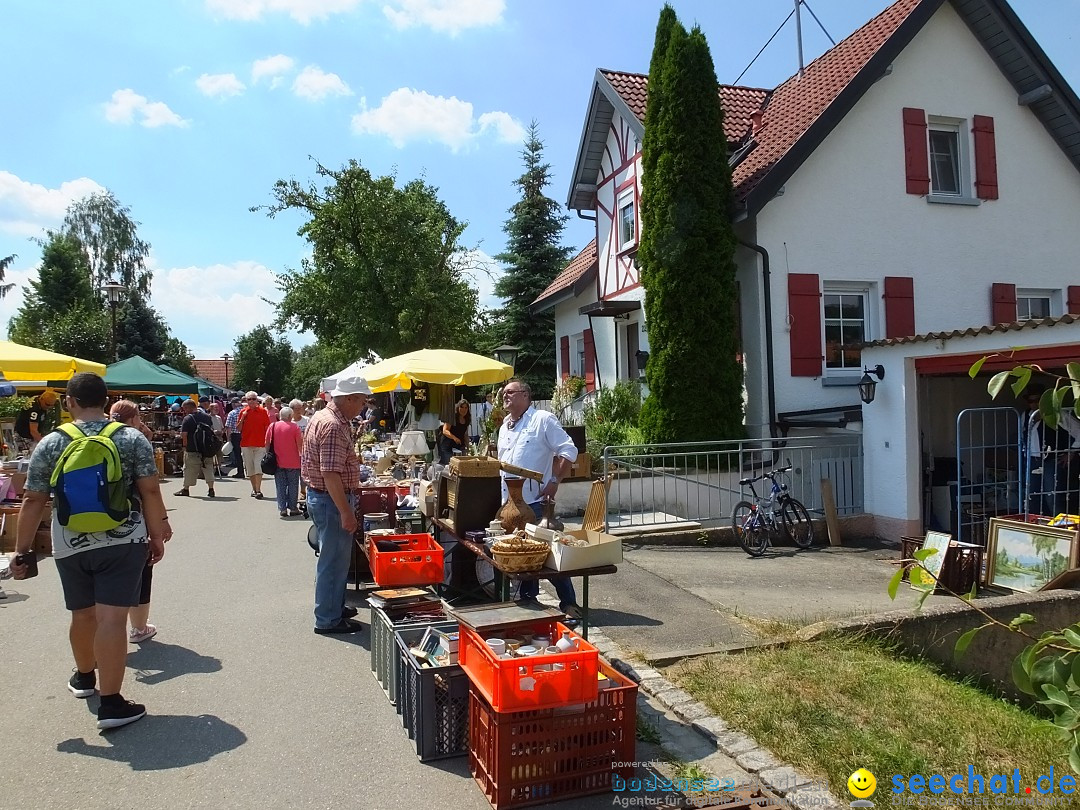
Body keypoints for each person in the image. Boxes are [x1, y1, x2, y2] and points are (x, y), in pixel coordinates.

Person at [7, 372, 169, 730]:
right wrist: (156, 534)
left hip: (70, 540)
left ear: (70, 402)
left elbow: (33, 498)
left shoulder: (51, 442)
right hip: (123, 538)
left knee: (82, 614)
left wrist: (22, 549)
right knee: (112, 619)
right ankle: (111, 704)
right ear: (105, 399)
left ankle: (84, 678)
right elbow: (151, 491)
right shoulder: (130, 438)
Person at [496, 379, 583, 617]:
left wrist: (554, 481)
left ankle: (568, 603)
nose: (505, 397)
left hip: (535, 503)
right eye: (504, 393)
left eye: (510, 393)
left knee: (548, 555)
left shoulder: (542, 420)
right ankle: (528, 600)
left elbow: (569, 450)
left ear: (525, 395)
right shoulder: (504, 427)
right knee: (521, 556)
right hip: (510, 505)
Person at [302, 376, 370, 634]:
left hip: (325, 498)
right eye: (361, 401)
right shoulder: (332, 425)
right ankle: (328, 618)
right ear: (349, 398)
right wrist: (345, 511)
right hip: (331, 500)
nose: (362, 406)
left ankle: (333, 607)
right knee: (333, 561)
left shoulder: (323, 418)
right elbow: (330, 473)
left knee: (335, 560)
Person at [109, 400, 159, 644]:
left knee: (99, 577)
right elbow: (149, 489)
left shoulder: (81, 435)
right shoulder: (134, 441)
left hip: (85, 522)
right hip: (131, 520)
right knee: (140, 571)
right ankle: (138, 628)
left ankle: (96, 640)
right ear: (133, 419)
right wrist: (159, 526)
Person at [267, 406, 303, 517]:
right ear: (290, 416)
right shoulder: (295, 427)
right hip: (293, 461)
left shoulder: (272, 426)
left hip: (277, 461)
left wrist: (268, 455)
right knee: (293, 485)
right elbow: (300, 445)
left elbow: (267, 443)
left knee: (280, 485)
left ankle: (282, 508)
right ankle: (293, 508)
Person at [175, 400, 215, 498]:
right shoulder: (207, 417)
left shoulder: (188, 419)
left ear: (189, 407)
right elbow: (211, 431)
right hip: (206, 448)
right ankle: (211, 489)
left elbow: (184, 435)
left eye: (185, 408)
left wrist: (185, 446)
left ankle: (186, 489)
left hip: (192, 448)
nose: (184, 411)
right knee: (208, 468)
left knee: (189, 469)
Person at [238, 391, 270, 499]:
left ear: (257, 400)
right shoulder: (243, 411)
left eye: (253, 399)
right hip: (246, 444)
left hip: (260, 444)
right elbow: (238, 429)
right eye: (249, 399)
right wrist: (242, 418)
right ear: (246, 401)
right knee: (250, 468)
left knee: (258, 467)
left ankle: (258, 490)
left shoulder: (263, 412)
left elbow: (267, 428)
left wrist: (269, 442)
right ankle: (254, 488)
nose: (251, 401)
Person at [439, 398, 472, 464]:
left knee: (460, 464)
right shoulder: (452, 417)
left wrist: (469, 447)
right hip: (447, 445)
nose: (464, 409)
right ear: (458, 407)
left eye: (466, 408)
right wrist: (454, 438)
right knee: (448, 464)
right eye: (462, 407)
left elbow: (465, 434)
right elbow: (445, 430)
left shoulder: (467, 419)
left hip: (459, 445)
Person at [224, 399, 245, 478]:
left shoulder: (232, 413)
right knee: (247, 453)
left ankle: (240, 472)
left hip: (235, 435)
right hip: (246, 435)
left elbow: (228, 427)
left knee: (238, 454)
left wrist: (228, 438)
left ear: (233, 404)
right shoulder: (246, 412)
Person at [207, 402, 226, 478]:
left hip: (219, 438)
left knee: (219, 454)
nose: (217, 409)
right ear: (211, 409)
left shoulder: (218, 418)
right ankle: (212, 470)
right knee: (212, 455)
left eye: (217, 408)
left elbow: (222, 427)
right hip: (212, 438)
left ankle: (219, 469)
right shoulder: (208, 417)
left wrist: (222, 432)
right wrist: (213, 432)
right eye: (215, 408)